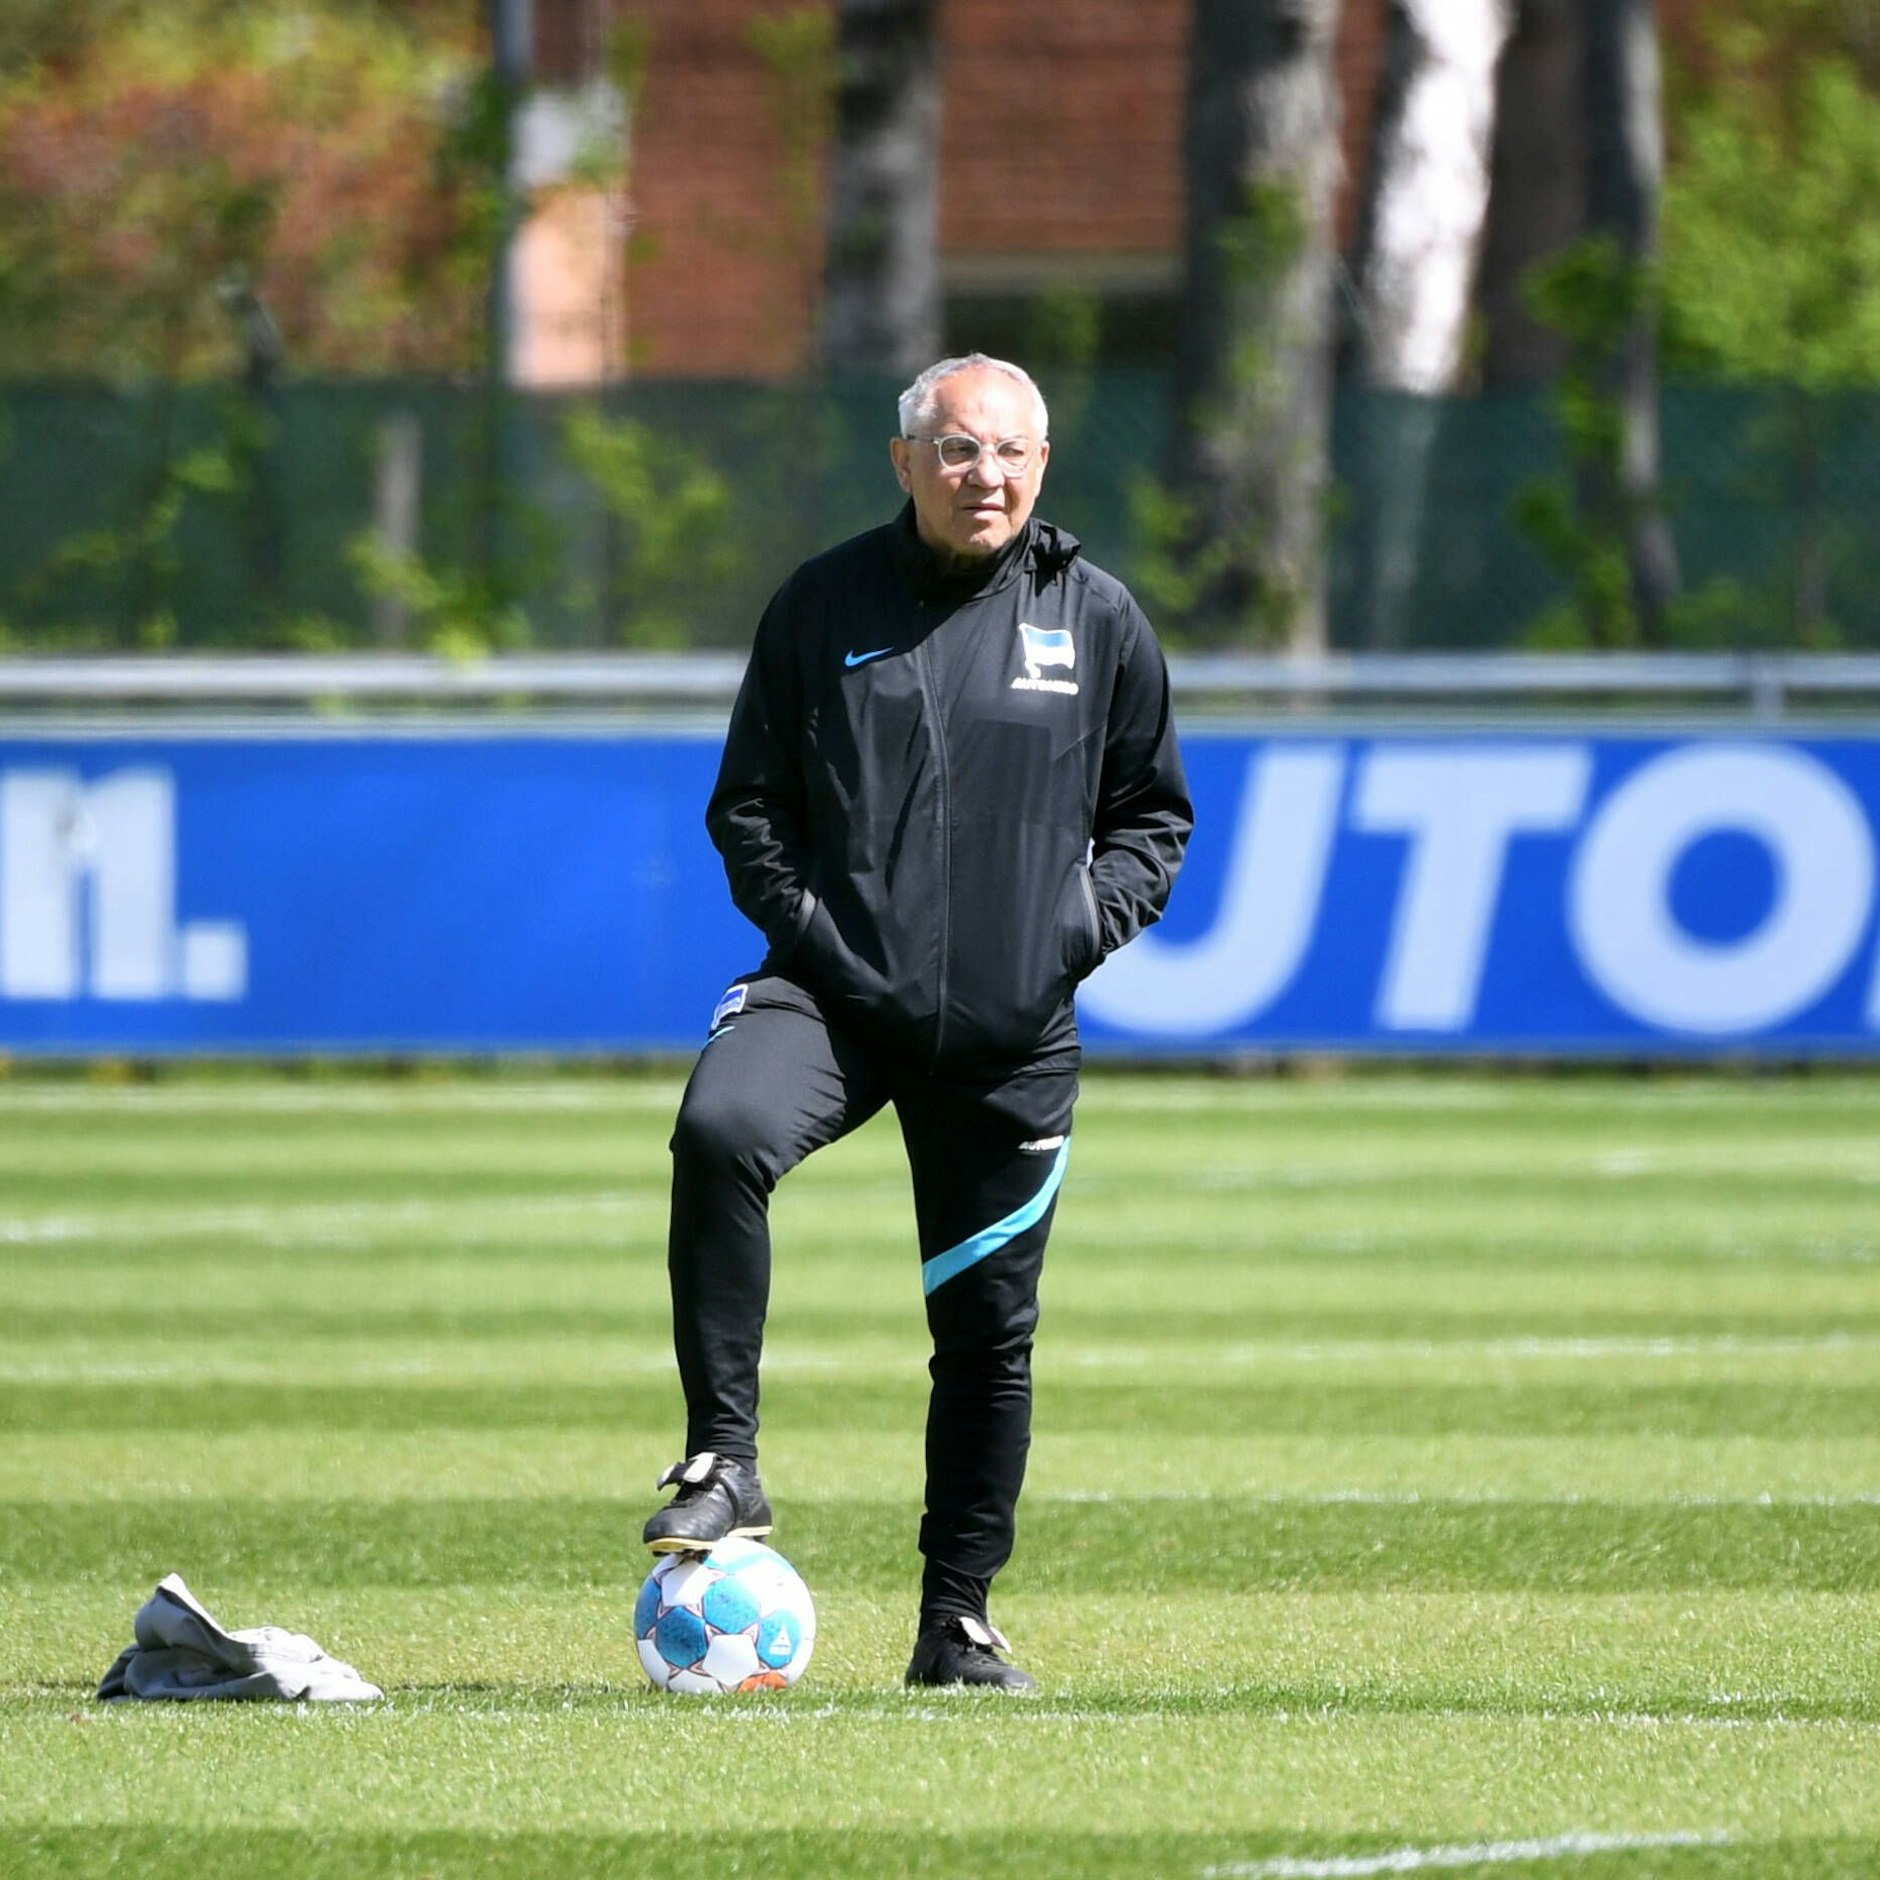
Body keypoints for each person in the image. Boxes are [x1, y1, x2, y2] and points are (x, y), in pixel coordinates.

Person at [646, 353, 1192, 1692]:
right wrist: (829, 942)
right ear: (905, 464)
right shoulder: (823, 602)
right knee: (721, 1129)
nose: (983, 475)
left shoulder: (1100, 619)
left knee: (987, 1336)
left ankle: (957, 1621)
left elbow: (1153, 822)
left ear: (1043, 466)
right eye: (956, 450)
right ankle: (724, 1457)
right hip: (833, 998)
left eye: (1008, 452)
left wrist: (1057, 940)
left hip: (1010, 1038)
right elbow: (750, 809)